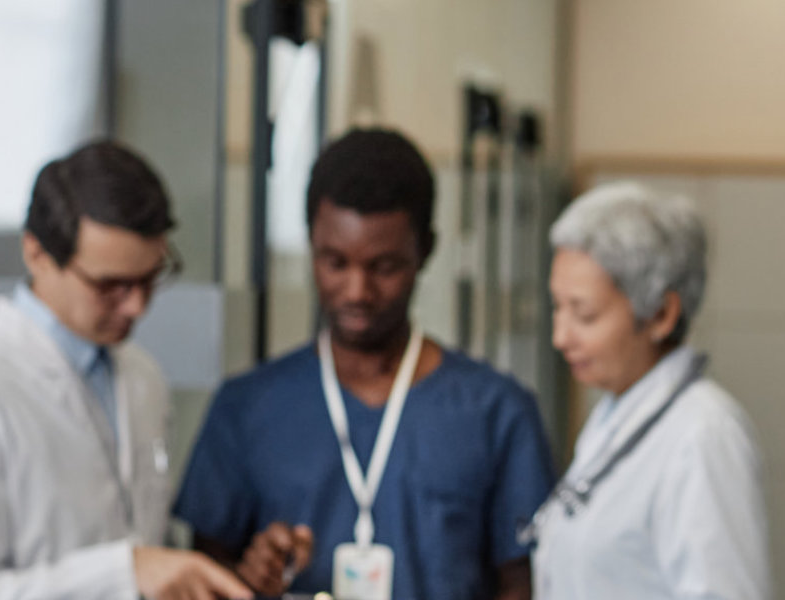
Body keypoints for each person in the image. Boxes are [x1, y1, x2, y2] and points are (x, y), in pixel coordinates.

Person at [174, 129, 555, 599]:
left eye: (384, 267)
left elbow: (523, 583)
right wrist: (253, 577)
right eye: (334, 262)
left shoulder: (497, 413)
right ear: (311, 243)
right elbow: (204, 574)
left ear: (426, 250)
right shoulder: (247, 408)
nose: (357, 291)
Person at [0, 141, 260, 599]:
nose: (137, 306)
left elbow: (146, 539)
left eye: (150, 278)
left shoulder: (142, 379)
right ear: (37, 253)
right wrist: (124, 572)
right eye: (110, 286)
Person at [524, 182, 769, 599]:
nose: (560, 337)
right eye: (557, 307)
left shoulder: (704, 434)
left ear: (660, 314)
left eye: (583, 314)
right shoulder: (613, 414)